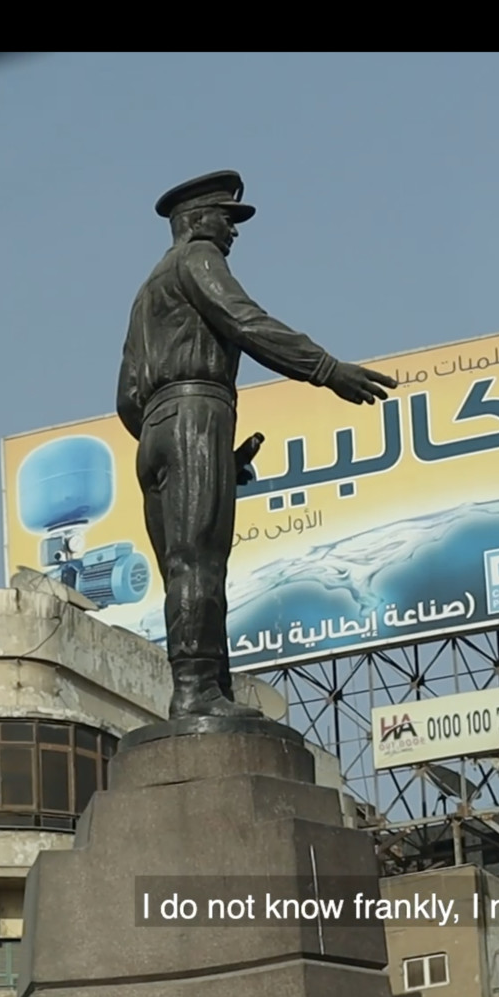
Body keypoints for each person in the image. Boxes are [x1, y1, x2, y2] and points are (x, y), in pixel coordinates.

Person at [117, 170, 396, 721]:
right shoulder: (197, 258)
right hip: (197, 412)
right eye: (226, 218)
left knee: (183, 565)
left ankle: (208, 690)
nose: (233, 232)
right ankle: (198, 693)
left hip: (153, 431)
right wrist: (325, 369)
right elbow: (245, 322)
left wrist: (182, 441)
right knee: (200, 563)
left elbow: (127, 395)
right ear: (196, 222)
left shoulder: (146, 292)